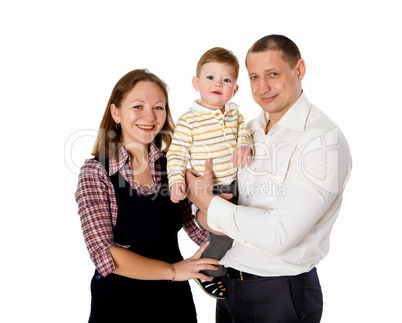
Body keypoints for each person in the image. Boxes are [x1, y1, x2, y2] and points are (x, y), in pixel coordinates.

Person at [185, 35, 352, 322]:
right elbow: (206, 208)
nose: (262, 88)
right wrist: (205, 207)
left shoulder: (322, 141)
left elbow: (279, 235)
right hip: (229, 287)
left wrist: (207, 203)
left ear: (298, 70)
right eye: (253, 77)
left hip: (279, 293)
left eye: (273, 74)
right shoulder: (248, 130)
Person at [75, 69, 220, 323]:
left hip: (175, 306)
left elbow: (199, 232)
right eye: (138, 106)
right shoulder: (96, 171)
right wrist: (174, 270)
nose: (150, 117)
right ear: (116, 112)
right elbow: (106, 256)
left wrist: (214, 203)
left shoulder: (174, 167)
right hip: (119, 307)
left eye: (158, 107)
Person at [166, 47, 253, 299]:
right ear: (196, 83)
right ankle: (208, 270)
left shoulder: (235, 113)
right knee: (225, 231)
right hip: (210, 190)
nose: (218, 84)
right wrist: (175, 182)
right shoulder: (188, 121)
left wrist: (244, 145)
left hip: (236, 185)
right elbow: (176, 155)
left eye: (226, 80)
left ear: (234, 89)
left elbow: (244, 133)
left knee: (243, 228)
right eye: (210, 78)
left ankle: (223, 267)